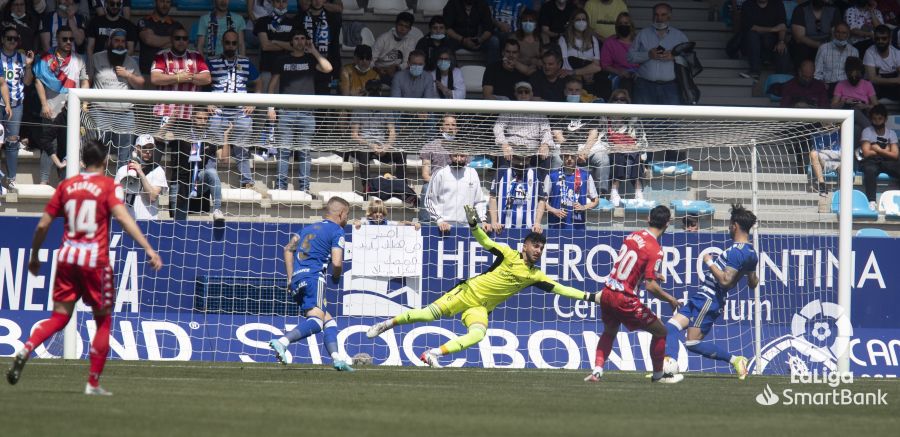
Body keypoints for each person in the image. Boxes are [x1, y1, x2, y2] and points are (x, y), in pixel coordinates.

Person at [6, 138, 163, 394]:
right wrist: (148, 248)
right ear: (105, 161)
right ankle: (92, 383)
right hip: (95, 262)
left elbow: (44, 224)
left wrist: (34, 256)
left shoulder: (67, 185)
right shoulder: (107, 185)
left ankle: (27, 347)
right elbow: (123, 218)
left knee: (59, 317)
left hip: (67, 258)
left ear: (83, 161)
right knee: (102, 321)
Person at [366, 205, 599, 367]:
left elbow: (562, 289)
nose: (538, 251)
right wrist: (474, 225)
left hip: (480, 308)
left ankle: (432, 353)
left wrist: (591, 297)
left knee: (478, 334)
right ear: (524, 246)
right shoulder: (508, 254)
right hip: (466, 293)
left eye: (541, 248)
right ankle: (386, 324)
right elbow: (485, 241)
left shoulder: (535, 275)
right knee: (427, 315)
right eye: (534, 246)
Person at [585, 205, 683, 384]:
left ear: (648, 219)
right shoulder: (656, 249)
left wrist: (652, 275)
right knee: (661, 331)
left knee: (609, 332)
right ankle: (658, 375)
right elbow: (651, 287)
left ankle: (597, 371)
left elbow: (630, 266)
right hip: (624, 298)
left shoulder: (632, 235)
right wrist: (671, 299)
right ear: (667, 224)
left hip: (607, 292)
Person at [664, 204, 759, 380]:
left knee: (692, 342)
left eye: (730, 225)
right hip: (701, 296)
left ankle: (735, 360)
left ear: (735, 226)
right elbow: (753, 283)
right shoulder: (751, 252)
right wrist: (747, 272)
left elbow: (725, 280)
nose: (729, 229)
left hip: (710, 298)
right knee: (669, 328)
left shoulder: (736, 252)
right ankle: (668, 368)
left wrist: (709, 261)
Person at [268, 196, 355, 372]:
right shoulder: (337, 231)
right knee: (316, 322)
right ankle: (283, 342)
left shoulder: (305, 230)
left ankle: (337, 359)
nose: (347, 219)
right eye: (347, 215)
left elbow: (288, 249)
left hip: (298, 280)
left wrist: (290, 278)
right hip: (314, 277)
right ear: (341, 213)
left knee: (329, 322)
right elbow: (337, 263)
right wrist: (336, 278)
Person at [267, 28, 332, 193]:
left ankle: (304, 189)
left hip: (307, 113)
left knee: (304, 153)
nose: (300, 41)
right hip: (286, 112)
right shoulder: (281, 60)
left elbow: (328, 68)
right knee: (284, 152)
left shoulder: (311, 59)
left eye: (303, 38)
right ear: (291, 42)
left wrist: (314, 51)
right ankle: (281, 188)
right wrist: (270, 106)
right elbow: (272, 85)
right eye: (296, 38)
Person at [34, 26, 88, 185]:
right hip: (51, 110)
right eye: (65, 39)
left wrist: (83, 102)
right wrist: (44, 104)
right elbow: (38, 81)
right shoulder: (46, 59)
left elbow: (85, 82)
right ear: (57, 39)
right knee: (49, 147)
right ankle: (43, 182)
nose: (68, 42)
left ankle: (64, 182)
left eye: (71, 39)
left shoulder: (79, 59)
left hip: (72, 112)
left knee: (70, 148)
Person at [208, 29, 261, 189]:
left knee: (242, 146)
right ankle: (208, 178)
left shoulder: (245, 62)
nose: (230, 46)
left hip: (240, 110)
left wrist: (253, 102)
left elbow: (258, 82)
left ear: (238, 44)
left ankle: (246, 181)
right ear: (222, 43)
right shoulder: (212, 61)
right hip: (218, 109)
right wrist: (207, 102)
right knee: (213, 145)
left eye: (234, 43)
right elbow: (202, 83)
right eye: (227, 42)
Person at [89, 28, 143, 166]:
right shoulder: (96, 57)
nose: (120, 44)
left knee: (125, 155)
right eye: (116, 41)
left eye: (123, 42)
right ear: (109, 42)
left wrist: (128, 75)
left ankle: (122, 184)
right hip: (100, 113)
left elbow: (141, 84)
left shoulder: (131, 61)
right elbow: (86, 81)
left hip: (124, 115)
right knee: (97, 153)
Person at [627, 3, 688, 105]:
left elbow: (689, 60)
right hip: (644, 86)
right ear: (652, 16)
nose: (659, 18)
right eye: (656, 14)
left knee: (669, 120)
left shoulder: (679, 36)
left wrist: (674, 57)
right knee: (644, 119)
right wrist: (648, 55)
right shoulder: (643, 34)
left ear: (669, 16)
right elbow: (629, 57)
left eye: (663, 15)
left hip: (670, 87)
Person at [150, 26, 212, 123]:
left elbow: (207, 78)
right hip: (165, 112)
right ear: (171, 39)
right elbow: (155, 78)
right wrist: (178, 77)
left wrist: (188, 76)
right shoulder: (162, 56)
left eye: (184, 38)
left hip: (189, 114)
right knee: (165, 138)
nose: (181, 41)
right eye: (177, 38)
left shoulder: (196, 56)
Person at [533, 144, 599, 232]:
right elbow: (542, 201)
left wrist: (584, 207)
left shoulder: (585, 175)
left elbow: (596, 201)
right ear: (561, 157)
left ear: (577, 157)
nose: (569, 159)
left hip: (578, 227)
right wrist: (554, 210)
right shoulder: (552, 175)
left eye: (572, 156)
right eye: (566, 156)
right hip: (556, 226)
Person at [0, 25, 33, 193]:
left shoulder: (21, 58)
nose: (12, 41)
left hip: (16, 104)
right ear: (3, 39)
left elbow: (27, 82)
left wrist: (28, 66)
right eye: (9, 38)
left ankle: (11, 179)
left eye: (15, 38)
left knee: (12, 142)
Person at [493, 81, 553, 172]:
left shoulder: (539, 110)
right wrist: (504, 144)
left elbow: (546, 130)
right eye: (520, 92)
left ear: (531, 94)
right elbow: (498, 127)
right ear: (515, 94)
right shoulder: (509, 108)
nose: (523, 94)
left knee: (546, 155)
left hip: (534, 149)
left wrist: (545, 144)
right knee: (503, 157)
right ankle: (502, 185)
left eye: (526, 92)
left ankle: (541, 185)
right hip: (511, 148)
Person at [424, 146, 487, 232]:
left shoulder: (472, 173)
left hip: (467, 226)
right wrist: (439, 221)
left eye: (462, 156)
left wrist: (483, 220)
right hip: (443, 226)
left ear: (467, 156)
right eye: (455, 156)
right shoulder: (440, 173)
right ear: (450, 156)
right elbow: (429, 201)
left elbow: (479, 200)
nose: (459, 159)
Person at [602, 88, 647, 206]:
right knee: (619, 155)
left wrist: (635, 147)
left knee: (637, 155)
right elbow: (601, 138)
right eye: (616, 99)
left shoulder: (634, 118)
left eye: (622, 99)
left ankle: (638, 191)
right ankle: (614, 191)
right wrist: (613, 146)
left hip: (631, 149)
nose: (619, 102)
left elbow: (642, 138)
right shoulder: (605, 118)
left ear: (627, 102)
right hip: (612, 150)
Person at [114, 134, 167, 220]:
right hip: (127, 222)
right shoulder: (123, 170)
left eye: (151, 148)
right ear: (137, 148)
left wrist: (140, 172)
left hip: (149, 221)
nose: (148, 151)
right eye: (145, 147)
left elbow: (152, 197)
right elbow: (116, 199)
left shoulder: (158, 170)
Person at [858, 104, 900, 209]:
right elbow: (866, 153)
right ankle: (871, 201)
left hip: (887, 161)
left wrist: (877, 149)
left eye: (880, 118)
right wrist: (886, 150)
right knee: (869, 170)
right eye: (874, 119)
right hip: (871, 161)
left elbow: (895, 155)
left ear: (885, 119)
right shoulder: (867, 131)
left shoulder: (891, 133)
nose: (877, 121)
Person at [487, 155, 542, 232]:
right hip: (502, 228)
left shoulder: (535, 173)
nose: (520, 163)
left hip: (529, 229)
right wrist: (494, 222)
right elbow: (492, 197)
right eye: (517, 158)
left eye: (523, 159)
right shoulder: (502, 171)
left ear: (529, 159)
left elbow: (542, 200)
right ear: (512, 157)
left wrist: (537, 223)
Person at [297, 0, 341, 95]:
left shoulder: (333, 18)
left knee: (322, 102)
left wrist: (336, 71)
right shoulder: (301, 17)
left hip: (324, 65)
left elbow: (335, 45)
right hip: (305, 65)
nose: (317, 1)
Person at [739, 0, 791, 80]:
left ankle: (782, 80)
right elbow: (751, 27)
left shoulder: (778, 4)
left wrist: (781, 41)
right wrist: (773, 29)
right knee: (752, 35)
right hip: (753, 44)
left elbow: (782, 26)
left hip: (771, 43)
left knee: (782, 48)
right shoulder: (747, 5)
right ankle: (754, 72)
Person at [558, 8, 605, 97]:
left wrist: (579, 72)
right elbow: (565, 64)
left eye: (583, 19)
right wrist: (580, 74)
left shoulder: (592, 39)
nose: (581, 22)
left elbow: (597, 66)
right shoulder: (564, 39)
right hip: (572, 74)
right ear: (572, 22)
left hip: (589, 74)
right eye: (578, 19)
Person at [253, 0, 295, 94]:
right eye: (277, 2)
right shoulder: (262, 21)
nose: (280, 5)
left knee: (285, 106)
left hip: (288, 70)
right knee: (264, 106)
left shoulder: (294, 22)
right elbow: (265, 46)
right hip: (267, 69)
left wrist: (275, 41)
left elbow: (295, 47)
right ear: (272, 3)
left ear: (287, 3)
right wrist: (286, 45)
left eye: (283, 2)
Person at [372, 12, 423, 81]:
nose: (402, 28)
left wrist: (397, 68)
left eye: (406, 27)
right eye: (400, 25)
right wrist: (377, 69)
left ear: (409, 29)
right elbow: (371, 59)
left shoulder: (410, 41)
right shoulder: (383, 38)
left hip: (397, 70)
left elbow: (407, 62)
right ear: (395, 25)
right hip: (380, 70)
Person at [137, 0, 181, 78]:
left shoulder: (177, 25)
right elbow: (149, 39)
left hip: (169, 75)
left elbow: (179, 47)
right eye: (162, 1)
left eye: (168, 2)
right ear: (155, 2)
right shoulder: (144, 21)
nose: (165, 5)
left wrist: (156, 41)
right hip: (147, 74)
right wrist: (173, 38)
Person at [789, 0, 839, 65]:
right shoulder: (800, 9)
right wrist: (819, 45)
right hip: (806, 45)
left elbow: (835, 34)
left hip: (827, 44)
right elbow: (799, 37)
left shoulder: (833, 9)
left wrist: (828, 47)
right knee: (800, 49)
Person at [814, 22, 858, 95]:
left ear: (848, 35)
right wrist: (822, 84)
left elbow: (854, 74)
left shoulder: (854, 51)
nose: (840, 35)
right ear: (834, 33)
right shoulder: (823, 48)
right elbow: (817, 72)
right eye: (838, 32)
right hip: (828, 85)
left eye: (844, 33)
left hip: (846, 86)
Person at [599, 12, 638, 94]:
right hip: (618, 75)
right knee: (626, 83)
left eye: (626, 23)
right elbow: (605, 65)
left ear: (631, 25)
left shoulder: (639, 41)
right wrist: (619, 72)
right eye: (620, 23)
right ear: (616, 26)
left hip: (639, 75)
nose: (623, 25)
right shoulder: (610, 42)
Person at [863, 25, 900, 101]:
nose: (880, 41)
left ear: (889, 40)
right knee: (870, 85)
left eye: (884, 38)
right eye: (877, 38)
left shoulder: (897, 53)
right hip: (877, 87)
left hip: (891, 86)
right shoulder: (869, 52)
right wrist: (896, 80)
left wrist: (880, 79)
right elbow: (872, 79)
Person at [808, 130, 841, 196]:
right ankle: (822, 185)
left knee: (846, 156)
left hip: (839, 158)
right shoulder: (815, 132)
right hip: (823, 159)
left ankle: (844, 189)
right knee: (813, 153)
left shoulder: (842, 128)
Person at [353, 198, 420, 228]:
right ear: (370, 213)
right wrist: (357, 223)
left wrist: (412, 224)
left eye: (380, 212)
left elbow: (401, 223)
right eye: (375, 212)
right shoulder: (367, 222)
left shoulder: (387, 223)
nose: (378, 214)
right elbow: (356, 222)